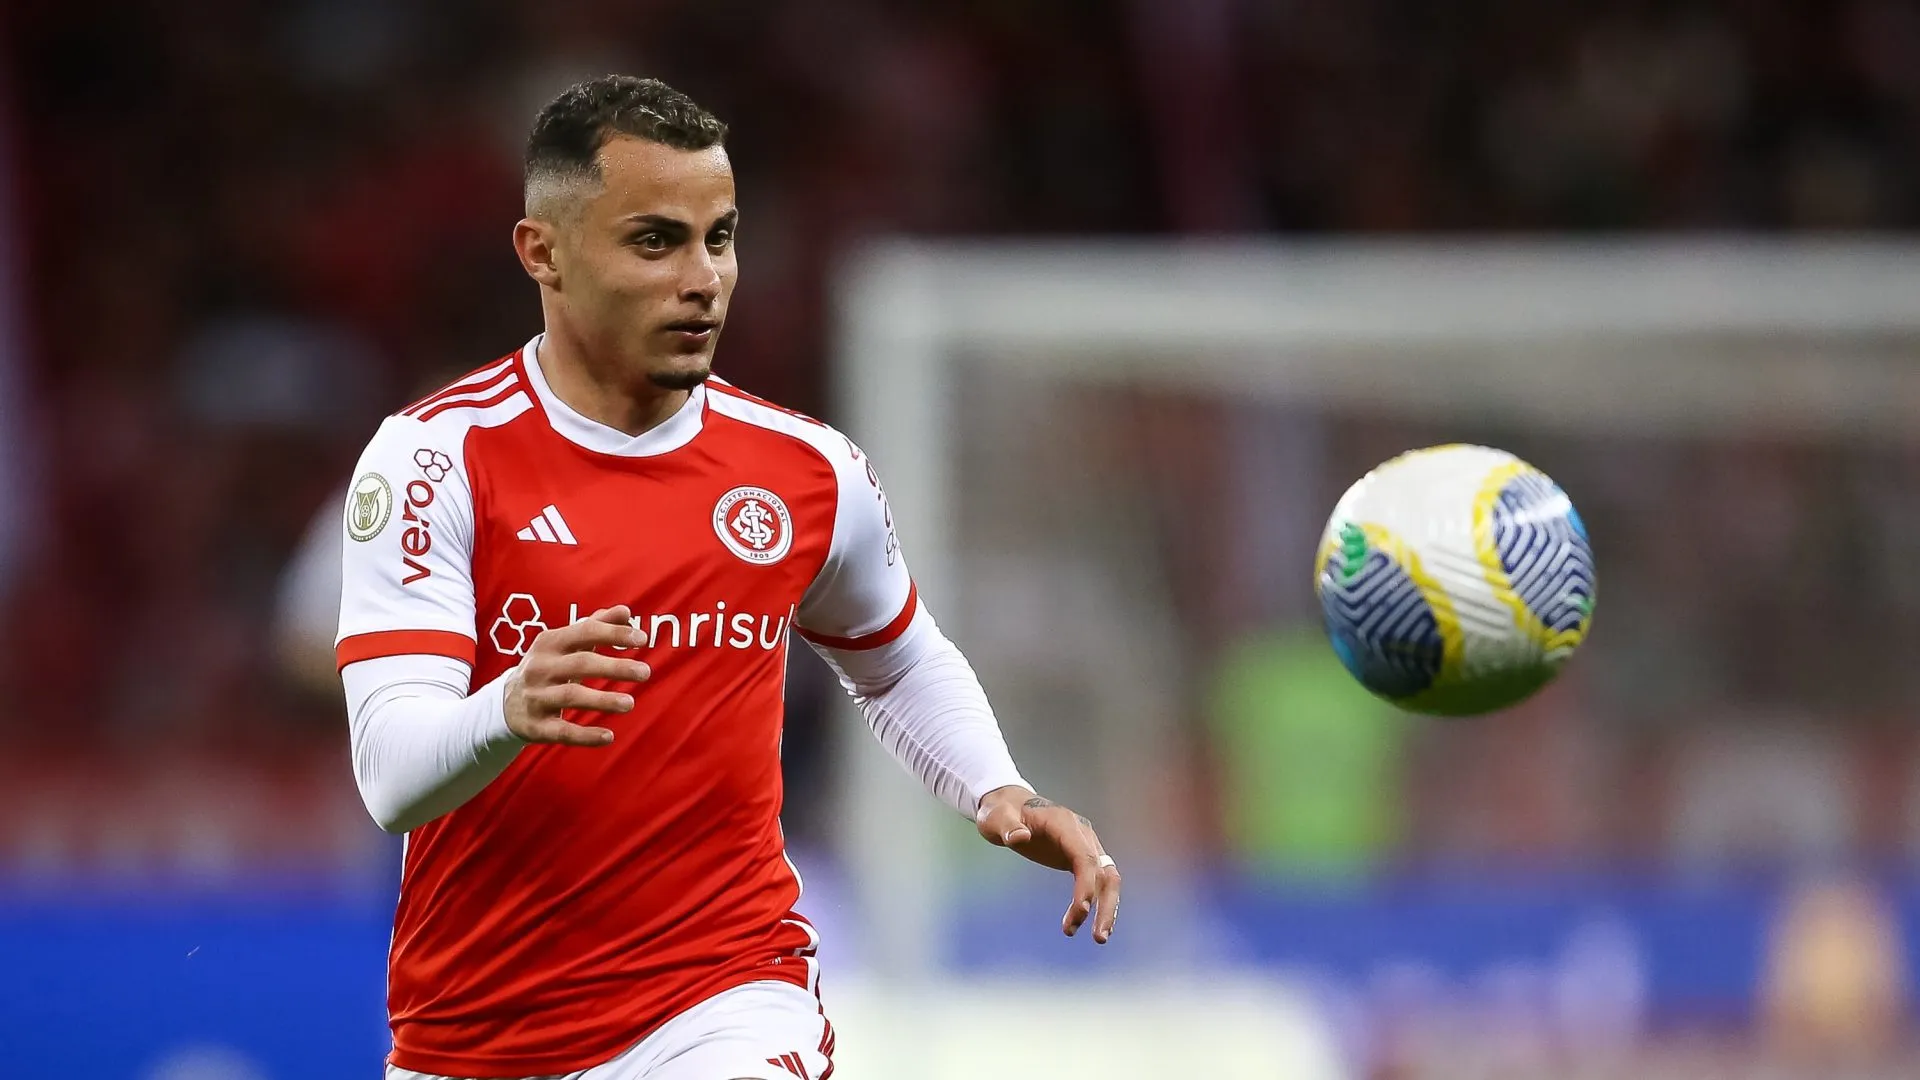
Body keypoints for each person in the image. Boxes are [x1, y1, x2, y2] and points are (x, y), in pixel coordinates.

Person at [336, 75, 1120, 1080]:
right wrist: (508, 708)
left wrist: (996, 787)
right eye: (655, 242)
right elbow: (391, 776)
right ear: (544, 253)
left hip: (724, 999)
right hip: (475, 1032)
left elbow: (896, 659)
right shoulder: (436, 460)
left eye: (721, 238)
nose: (703, 278)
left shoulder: (806, 472)